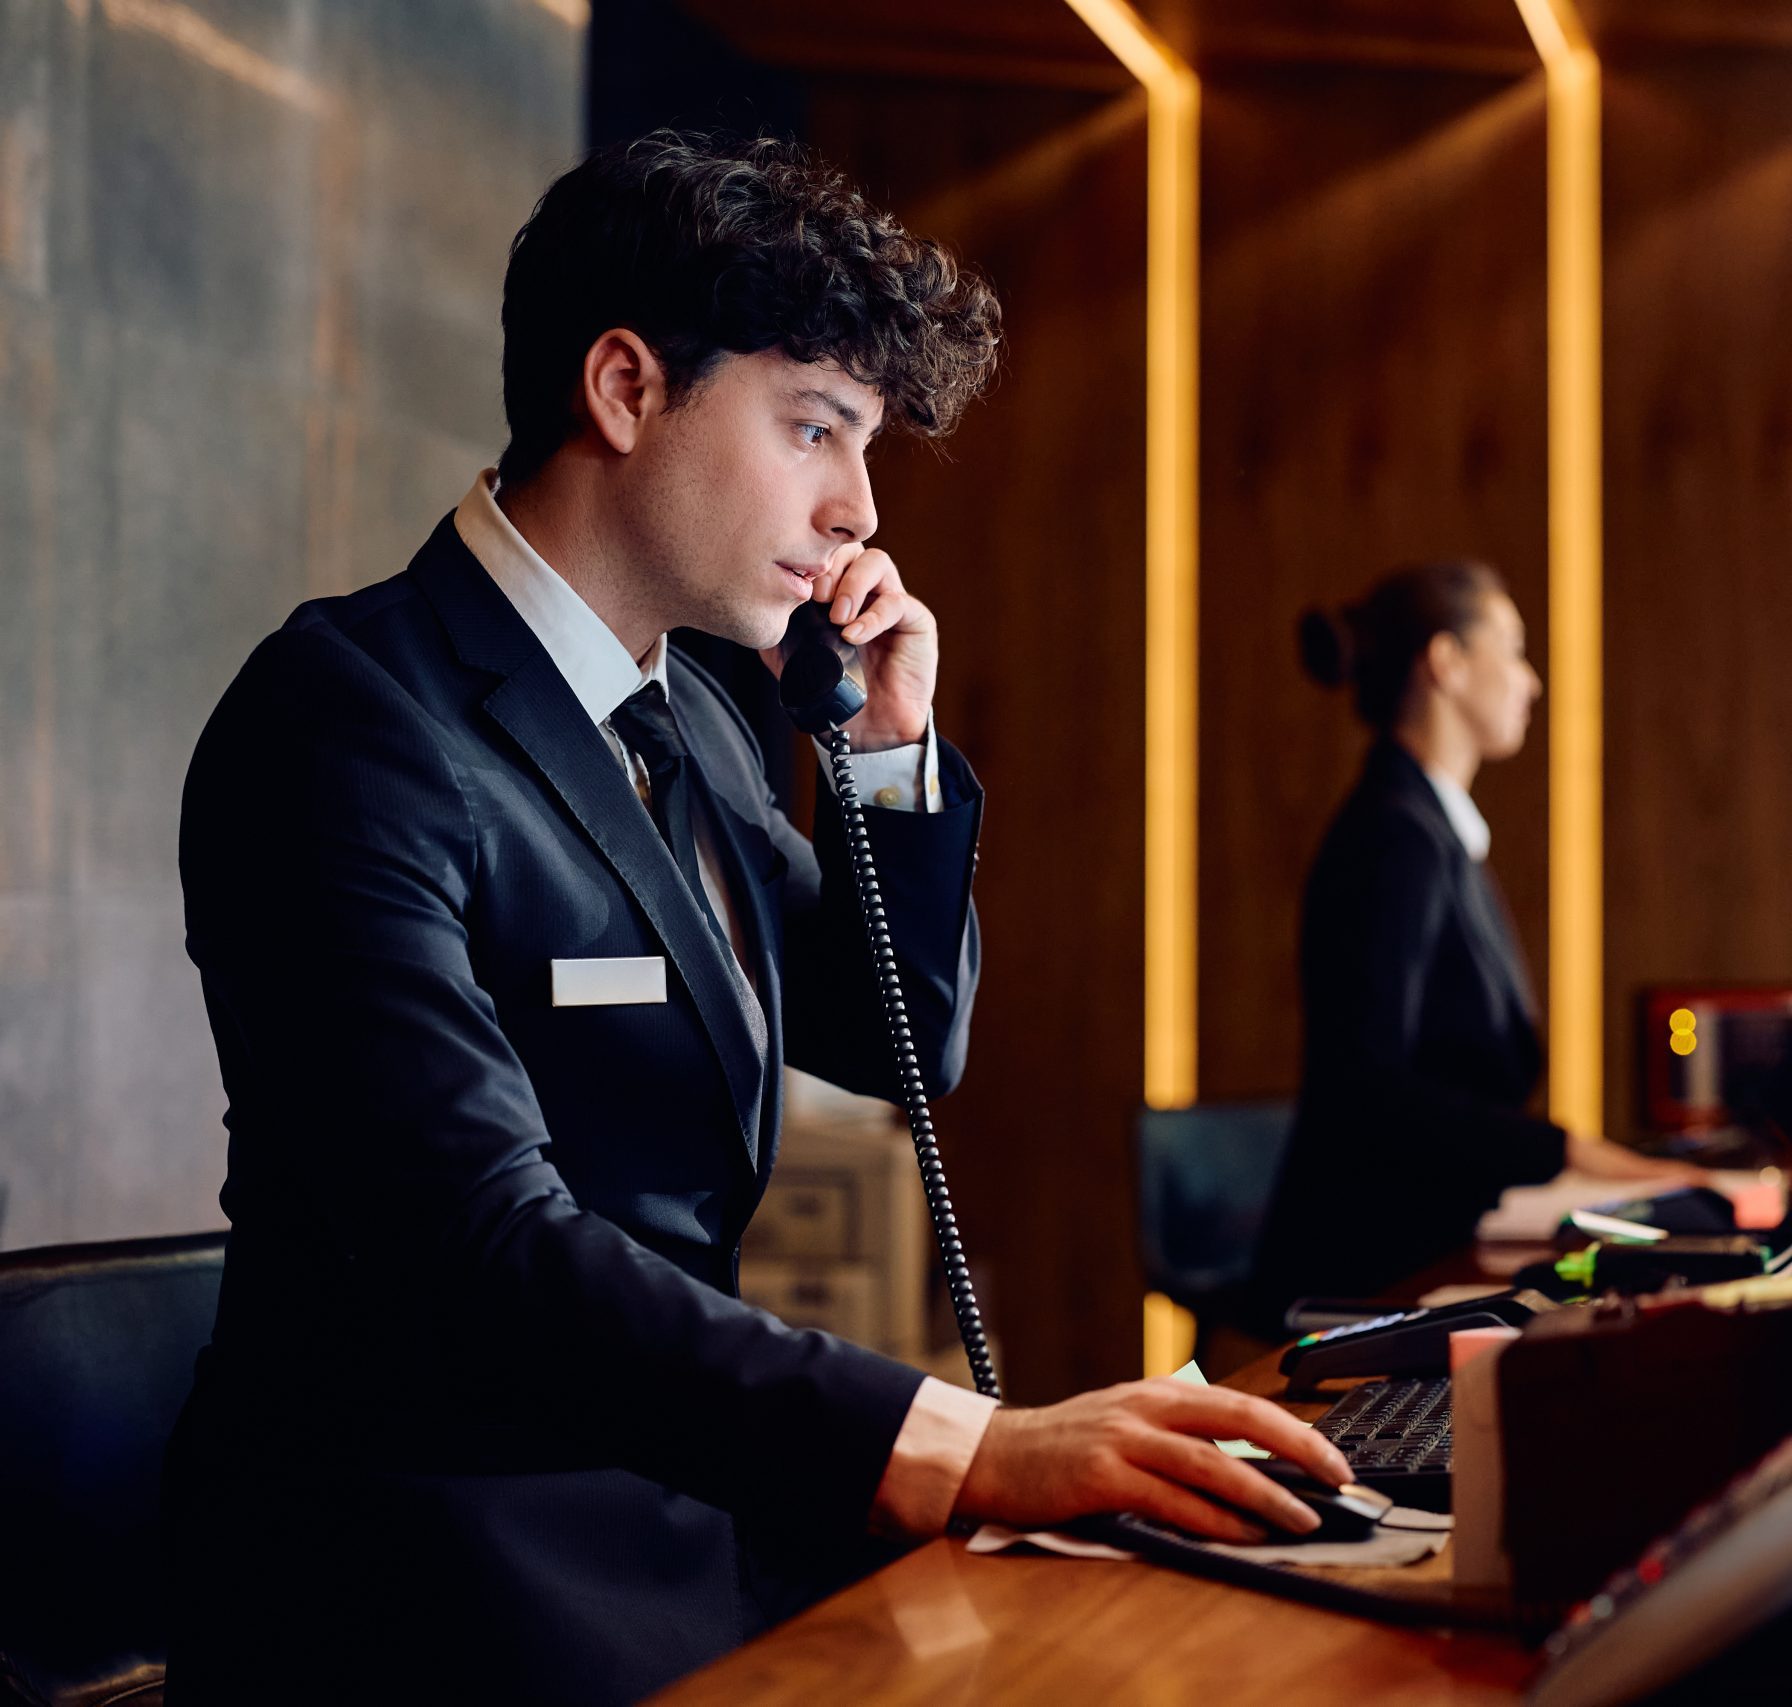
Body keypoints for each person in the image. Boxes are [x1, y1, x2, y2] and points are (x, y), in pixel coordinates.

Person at [164, 133, 1350, 1707]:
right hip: (429, 1590)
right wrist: (965, 1443)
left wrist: (887, 753)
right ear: (624, 389)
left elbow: (898, 1041)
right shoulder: (345, 720)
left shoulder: (700, 726)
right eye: (814, 428)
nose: (859, 508)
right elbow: (482, 1246)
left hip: (694, 1523)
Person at [1251, 561, 1692, 1321]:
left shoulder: (1429, 828)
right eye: (1513, 650)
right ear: (1446, 662)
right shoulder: (1394, 836)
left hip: (1427, 1231)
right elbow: (1368, 1089)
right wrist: (1568, 1152)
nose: (1532, 681)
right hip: (1374, 1259)